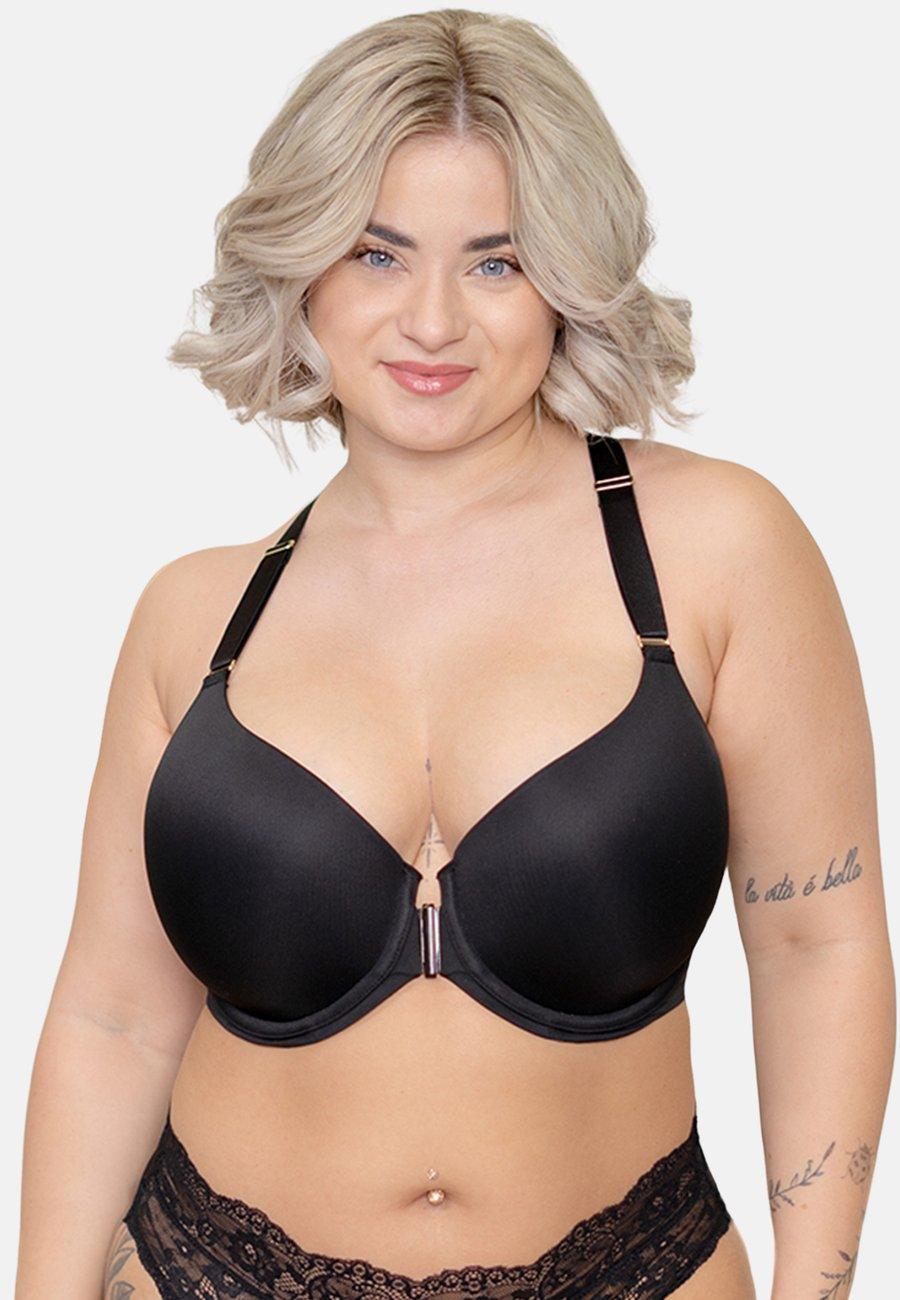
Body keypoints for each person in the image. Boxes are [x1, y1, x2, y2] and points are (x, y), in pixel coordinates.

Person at [16, 11, 893, 1299]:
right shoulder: (195, 618)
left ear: (567, 281)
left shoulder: (715, 549)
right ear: (304, 269)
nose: (431, 321)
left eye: (497, 262)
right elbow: (112, 1019)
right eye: (377, 254)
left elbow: (818, 947)